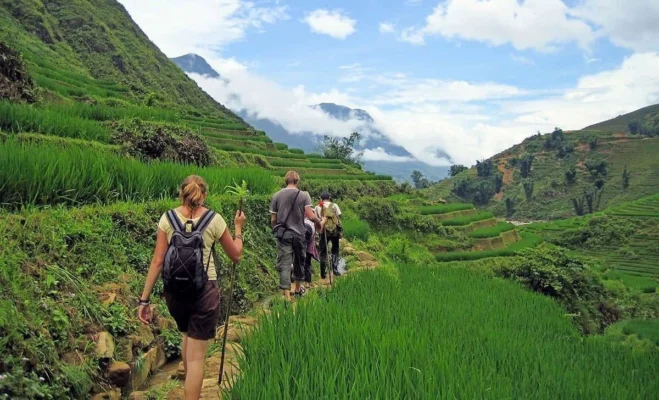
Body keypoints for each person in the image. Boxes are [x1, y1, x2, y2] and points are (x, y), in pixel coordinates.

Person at [138, 175, 245, 400]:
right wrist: (238, 229)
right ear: (204, 194)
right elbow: (235, 255)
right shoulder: (214, 220)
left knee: (187, 333)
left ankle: (187, 387)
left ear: (181, 193)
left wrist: (144, 300)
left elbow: (157, 261)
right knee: (197, 359)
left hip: (175, 293)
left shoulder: (167, 219)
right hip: (205, 291)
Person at [270, 171, 322, 301]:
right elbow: (310, 215)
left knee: (285, 264)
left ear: (285, 181)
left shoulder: (276, 196)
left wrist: (277, 230)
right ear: (297, 181)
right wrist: (319, 222)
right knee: (299, 261)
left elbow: (273, 219)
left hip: (284, 234)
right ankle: (298, 289)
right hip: (299, 234)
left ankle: (287, 296)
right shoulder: (304, 195)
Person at [315, 192, 342, 278]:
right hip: (334, 231)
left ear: (321, 198)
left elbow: (317, 219)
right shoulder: (335, 205)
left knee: (322, 252)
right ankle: (335, 270)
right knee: (335, 249)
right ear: (330, 197)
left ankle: (323, 274)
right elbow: (338, 217)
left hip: (324, 231)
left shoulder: (318, 207)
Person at [303, 216, 320, 290]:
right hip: (308, 246)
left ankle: (305, 281)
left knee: (303, 263)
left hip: (302, 244)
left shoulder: (303, 219)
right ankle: (307, 282)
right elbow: (319, 230)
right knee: (307, 264)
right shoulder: (313, 221)